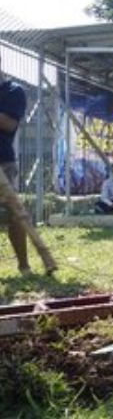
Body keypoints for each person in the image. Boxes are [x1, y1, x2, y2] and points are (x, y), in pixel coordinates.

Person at [0, 62, 32, 275]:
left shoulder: (13, 91)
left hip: (3, 163)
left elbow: (9, 124)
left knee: (14, 215)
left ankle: (23, 265)